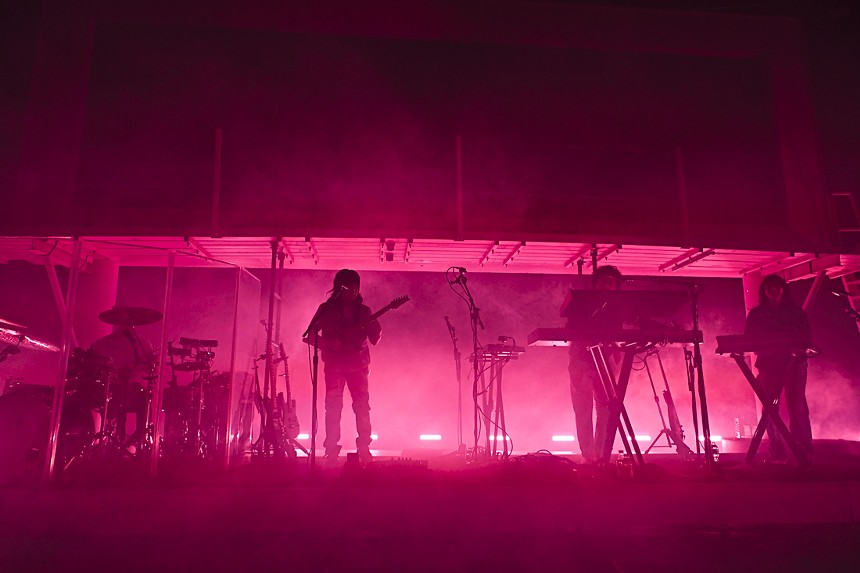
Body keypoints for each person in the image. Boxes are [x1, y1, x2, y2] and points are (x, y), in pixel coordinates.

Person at [309, 269, 381, 466]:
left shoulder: (365, 312)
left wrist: (376, 329)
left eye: (356, 287)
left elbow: (375, 339)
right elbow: (310, 336)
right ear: (339, 288)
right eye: (349, 287)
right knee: (333, 409)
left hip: (358, 366)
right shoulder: (326, 309)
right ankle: (331, 451)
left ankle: (364, 450)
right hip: (334, 367)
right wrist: (328, 343)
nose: (353, 291)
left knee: (362, 408)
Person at [744, 274, 813, 463]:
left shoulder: (795, 312)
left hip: (795, 363)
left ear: (783, 289)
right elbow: (749, 338)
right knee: (770, 408)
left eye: (776, 286)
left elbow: (805, 336)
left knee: (796, 406)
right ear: (764, 291)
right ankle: (777, 449)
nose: (773, 290)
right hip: (769, 364)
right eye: (769, 287)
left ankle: (803, 449)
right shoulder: (757, 314)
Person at [560, 265, 624, 463]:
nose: (606, 285)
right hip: (581, 358)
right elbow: (570, 326)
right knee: (583, 407)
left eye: (610, 282)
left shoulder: (618, 306)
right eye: (602, 280)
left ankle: (601, 454)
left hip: (604, 358)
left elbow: (618, 335)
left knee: (605, 407)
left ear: (616, 286)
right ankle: (589, 456)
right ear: (595, 284)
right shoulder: (580, 303)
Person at [90, 325, 153, 450]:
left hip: (116, 390)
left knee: (141, 397)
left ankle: (129, 439)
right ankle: (136, 441)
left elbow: (149, 367)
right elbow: (149, 367)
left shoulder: (141, 343)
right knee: (142, 398)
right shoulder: (142, 343)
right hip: (114, 390)